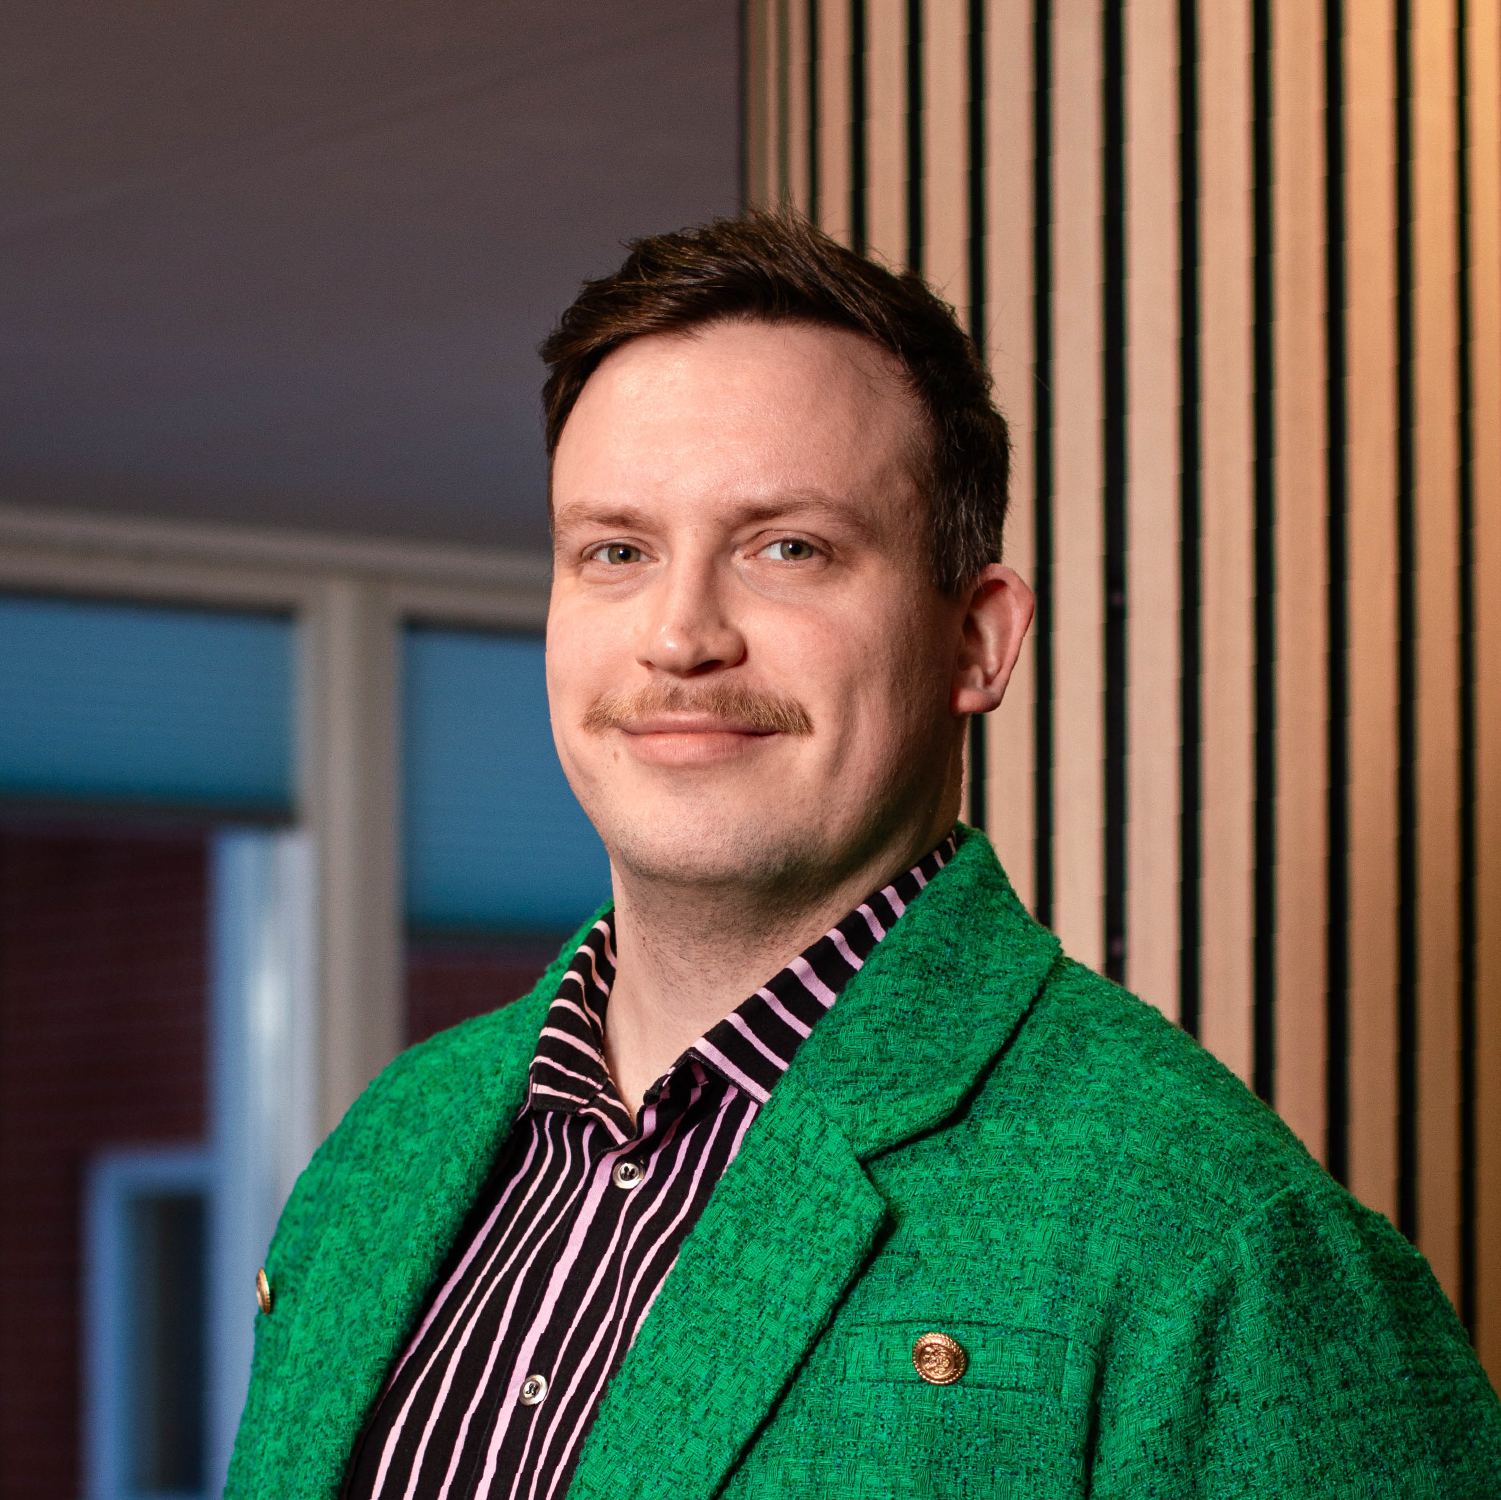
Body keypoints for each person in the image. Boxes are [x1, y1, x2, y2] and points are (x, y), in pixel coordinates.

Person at [227, 213, 1501, 1499]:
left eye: (787, 549)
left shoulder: (1210, 1237)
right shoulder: (390, 1149)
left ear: (976, 640)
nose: (679, 637)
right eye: (616, 551)